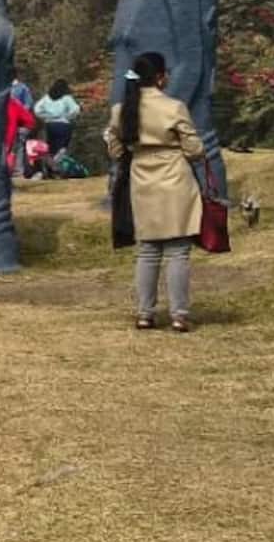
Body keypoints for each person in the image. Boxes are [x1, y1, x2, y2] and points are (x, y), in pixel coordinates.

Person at [105, 52, 209, 332]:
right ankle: (179, 315)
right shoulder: (174, 107)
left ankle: (144, 313)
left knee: (148, 250)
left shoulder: (121, 110)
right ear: (161, 77)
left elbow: (115, 149)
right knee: (178, 251)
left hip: (141, 180)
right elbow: (194, 149)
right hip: (174, 179)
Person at [34, 81, 81, 162]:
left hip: (50, 125)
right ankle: (59, 160)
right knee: (62, 147)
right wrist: (68, 117)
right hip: (64, 125)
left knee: (52, 148)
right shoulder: (66, 98)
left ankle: (52, 164)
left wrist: (45, 116)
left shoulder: (47, 98)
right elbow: (75, 110)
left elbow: (37, 109)